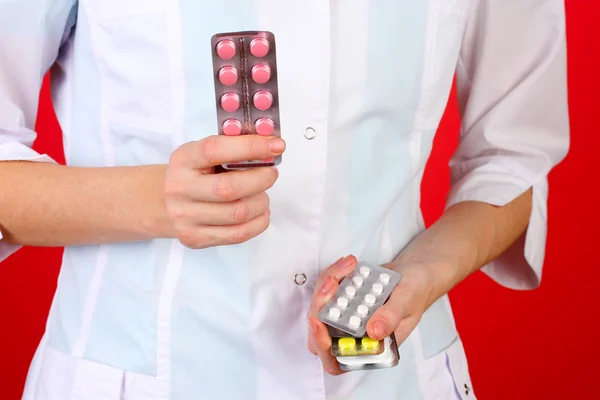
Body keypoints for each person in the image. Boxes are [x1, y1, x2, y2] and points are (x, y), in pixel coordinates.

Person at [0, 1, 569, 399]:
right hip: (146, 379)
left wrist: (418, 277)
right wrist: (154, 200)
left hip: (395, 383)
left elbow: (512, 157)